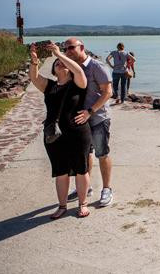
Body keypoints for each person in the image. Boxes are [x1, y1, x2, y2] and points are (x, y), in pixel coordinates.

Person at [29, 42, 92, 218]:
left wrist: (59, 54)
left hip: (78, 132)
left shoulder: (78, 82)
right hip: (54, 134)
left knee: (81, 169)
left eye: (62, 62)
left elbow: (79, 71)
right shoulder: (49, 86)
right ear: (53, 70)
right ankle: (62, 206)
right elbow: (34, 78)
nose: (59, 63)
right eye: (56, 63)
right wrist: (34, 62)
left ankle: (83, 204)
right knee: (61, 171)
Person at [64, 37, 115, 207]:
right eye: (66, 49)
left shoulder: (97, 66)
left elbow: (108, 92)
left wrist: (90, 111)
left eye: (71, 48)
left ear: (82, 47)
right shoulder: (73, 68)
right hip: (81, 118)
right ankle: (86, 187)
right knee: (86, 154)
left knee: (102, 153)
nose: (69, 51)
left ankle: (107, 189)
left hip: (98, 117)